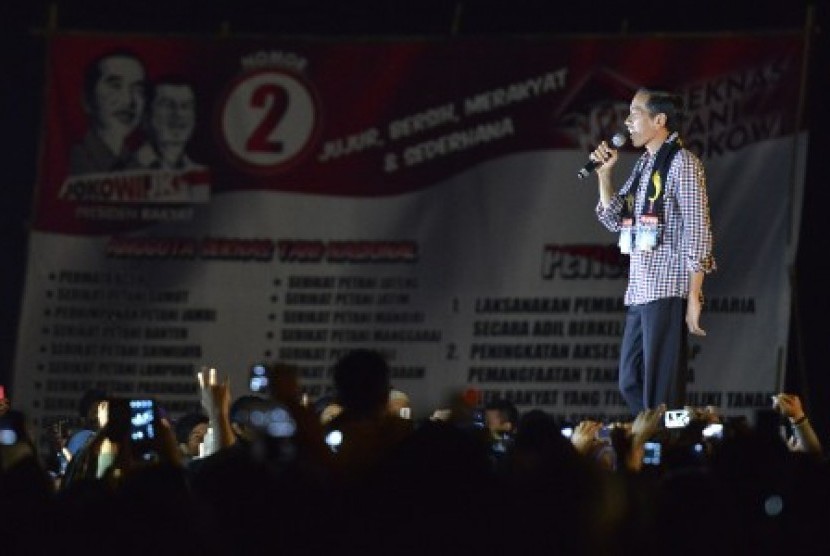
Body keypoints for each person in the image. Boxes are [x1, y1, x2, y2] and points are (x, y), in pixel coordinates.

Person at [591, 87, 716, 414]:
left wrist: (694, 295)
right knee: (630, 380)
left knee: (661, 390)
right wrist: (605, 176)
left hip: (668, 287)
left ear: (659, 120)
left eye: (635, 113)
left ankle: (665, 451)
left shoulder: (682, 163)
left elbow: (698, 229)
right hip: (640, 290)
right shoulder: (645, 165)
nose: (628, 122)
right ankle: (655, 437)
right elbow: (614, 219)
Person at [69, 50, 147, 175]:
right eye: (115, 86)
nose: (129, 100)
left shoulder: (140, 169)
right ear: (87, 100)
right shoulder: (72, 161)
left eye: (138, 90)